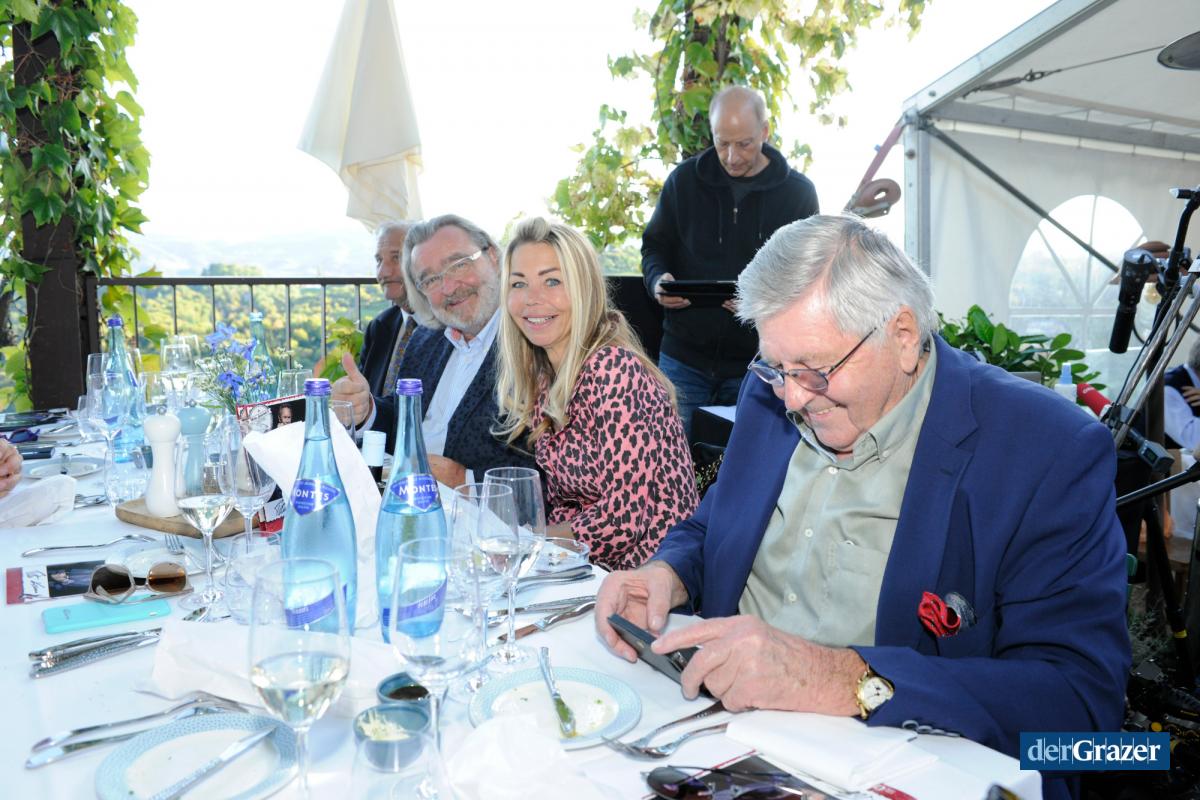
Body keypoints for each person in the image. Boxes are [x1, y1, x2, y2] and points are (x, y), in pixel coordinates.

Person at [596, 215, 1129, 800]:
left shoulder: (1044, 448)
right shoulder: (772, 390)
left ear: (902, 336)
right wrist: (669, 573)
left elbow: (1082, 710)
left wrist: (843, 680)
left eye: (815, 372)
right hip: (713, 733)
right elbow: (719, 520)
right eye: (777, 369)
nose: (792, 398)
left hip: (889, 763)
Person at [494, 217, 698, 570]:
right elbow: (566, 507)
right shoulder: (546, 376)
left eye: (552, 281)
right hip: (582, 568)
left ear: (584, 289)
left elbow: (622, 523)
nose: (532, 299)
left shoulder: (613, 370)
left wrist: (529, 544)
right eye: (518, 283)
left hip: (646, 578)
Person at [641, 85, 819, 435]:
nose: (732, 156)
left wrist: (761, 304)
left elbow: (808, 276)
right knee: (669, 460)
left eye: (744, 144)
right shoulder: (683, 182)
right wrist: (657, 281)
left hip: (759, 365)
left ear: (765, 132)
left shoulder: (798, 194)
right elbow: (653, 248)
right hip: (682, 360)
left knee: (749, 462)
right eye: (722, 143)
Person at [333, 214, 535, 486]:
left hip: (484, 510)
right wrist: (367, 410)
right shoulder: (426, 339)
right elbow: (402, 416)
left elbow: (556, 468)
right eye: (430, 280)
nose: (448, 287)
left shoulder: (531, 340)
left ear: (493, 257)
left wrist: (467, 481)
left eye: (459, 265)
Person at [358, 221, 419, 398]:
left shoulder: (449, 330)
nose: (382, 272)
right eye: (379, 260)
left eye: (396, 258)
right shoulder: (378, 327)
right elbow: (367, 399)